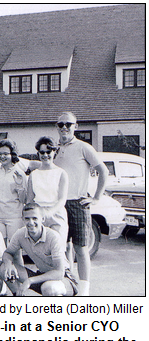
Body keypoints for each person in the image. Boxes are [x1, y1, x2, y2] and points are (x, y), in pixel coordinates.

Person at [54, 112, 108, 296]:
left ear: (75, 126)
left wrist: (96, 197)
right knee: (64, 246)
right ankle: (71, 283)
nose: (64, 128)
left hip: (78, 203)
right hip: (59, 204)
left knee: (81, 247)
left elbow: (103, 170)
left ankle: (84, 290)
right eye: (61, 124)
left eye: (68, 124)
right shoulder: (54, 149)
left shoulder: (84, 147)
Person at [1, 203, 78, 296]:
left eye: (34, 218)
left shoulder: (53, 237)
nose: (31, 222)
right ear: (23, 220)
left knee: (49, 288)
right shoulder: (20, 234)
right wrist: (8, 264)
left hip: (63, 279)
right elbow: (7, 253)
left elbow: (59, 273)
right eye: (27, 219)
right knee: (3, 268)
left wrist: (30, 280)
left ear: (43, 219)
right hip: (42, 275)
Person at [27, 136, 69, 245]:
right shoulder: (33, 175)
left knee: (57, 250)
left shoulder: (61, 173)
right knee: (41, 251)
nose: (45, 155)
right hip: (38, 217)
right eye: (42, 152)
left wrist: (49, 212)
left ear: (55, 152)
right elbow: (30, 200)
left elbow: (62, 199)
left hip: (56, 215)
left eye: (48, 151)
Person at [0, 139, 27, 244]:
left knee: (15, 248)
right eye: (0, 154)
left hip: (15, 216)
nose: (2, 157)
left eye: (6, 154)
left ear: (12, 154)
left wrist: (19, 185)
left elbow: (24, 199)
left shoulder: (20, 174)